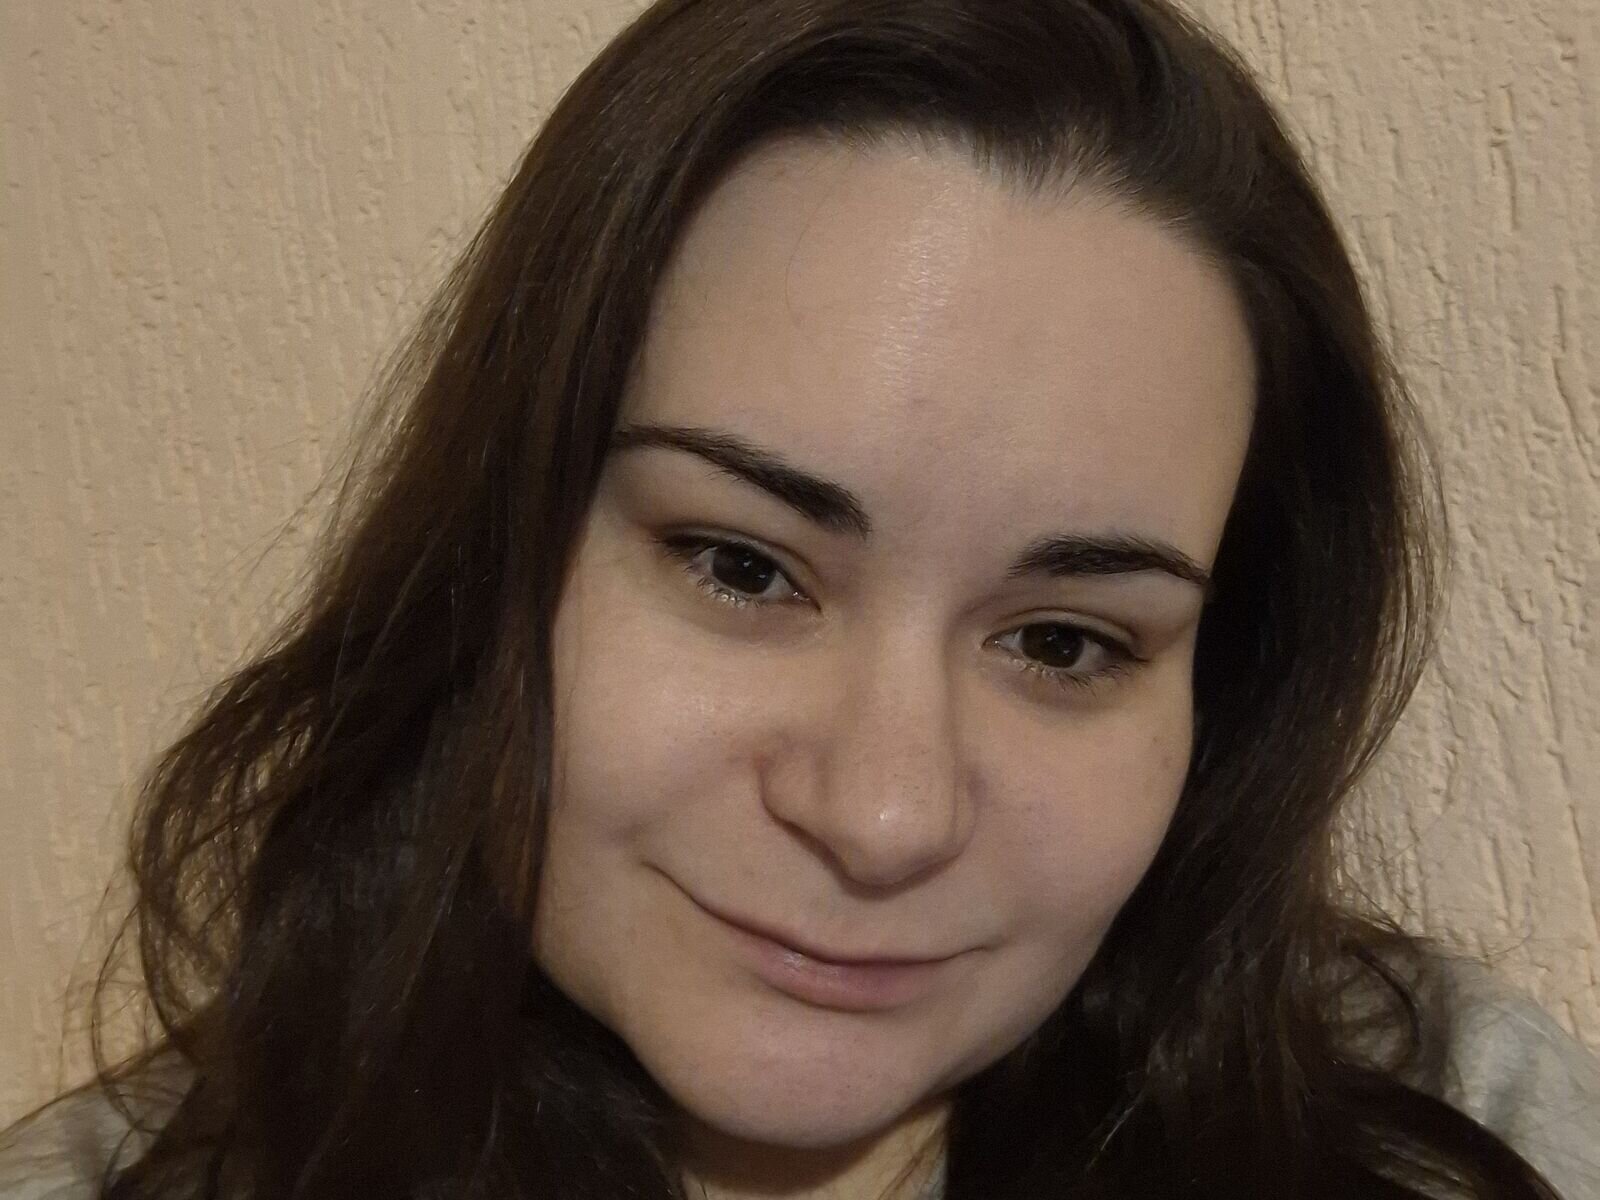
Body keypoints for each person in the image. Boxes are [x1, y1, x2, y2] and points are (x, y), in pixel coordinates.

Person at [2, 0, 1597, 1197]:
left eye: (1064, 642)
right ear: (499, 555)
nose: (883, 816)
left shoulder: (1462, 1134)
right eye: (742, 564)